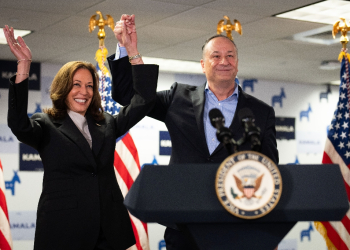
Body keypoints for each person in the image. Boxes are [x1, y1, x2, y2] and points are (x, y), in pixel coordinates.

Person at [108, 15, 279, 250]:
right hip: (183, 227)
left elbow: (269, 168)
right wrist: (131, 49)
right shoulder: (178, 98)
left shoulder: (261, 112)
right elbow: (130, 97)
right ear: (202, 64)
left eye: (230, 56)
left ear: (237, 64)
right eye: (216, 56)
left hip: (237, 225)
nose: (224, 61)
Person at [4, 24, 158, 250]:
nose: (83, 92)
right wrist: (24, 65)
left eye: (89, 86)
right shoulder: (46, 125)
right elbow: (18, 124)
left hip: (109, 230)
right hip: (64, 230)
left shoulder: (106, 122)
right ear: (63, 88)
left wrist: (132, 51)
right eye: (76, 85)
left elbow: (144, 101)